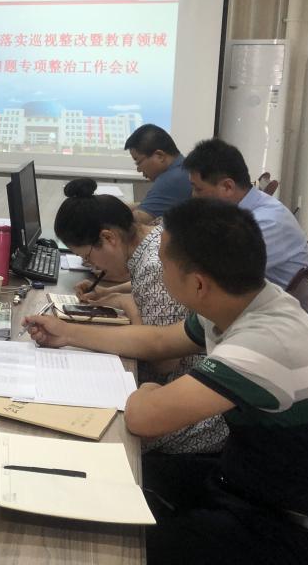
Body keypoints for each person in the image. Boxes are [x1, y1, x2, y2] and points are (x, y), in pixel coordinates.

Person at [25, 199, 308, 565]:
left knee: (103, 544)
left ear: (198, 284)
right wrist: (67, 332)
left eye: (163, 264)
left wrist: (148, 390)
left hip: (298, 532)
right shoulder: (247, 302)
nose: (154, 270)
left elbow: (144, 417)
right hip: (249, 484)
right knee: (95, 487)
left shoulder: (263, 343)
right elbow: (158, 341)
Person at [55, 179, 226, 455]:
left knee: (88, 436)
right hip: (183, 392)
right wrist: (112, 292)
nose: (91, 265)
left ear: (108, 238)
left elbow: (163, 362)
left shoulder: (155, 265)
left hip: (189, 409)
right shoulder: (152, 237)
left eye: (87, 256)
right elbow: (146, 288)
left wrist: (126, 303)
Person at [182, 137, 308, 288]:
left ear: (227, 187)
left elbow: (215, 274)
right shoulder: (238, 211)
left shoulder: (266, 223)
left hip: (279, 302)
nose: (193, 196)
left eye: (198, 189)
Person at [124, 124, 192, 224]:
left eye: (138, 162)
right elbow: (148, 204)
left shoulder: (171, 179)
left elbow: (138, 220)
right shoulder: (182, 167)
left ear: (159, 156)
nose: (138, 169)